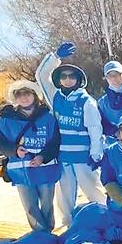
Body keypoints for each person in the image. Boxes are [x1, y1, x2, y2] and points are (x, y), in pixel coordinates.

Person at [35, 41, 106, 226]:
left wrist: (96, 154)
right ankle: (69, 226)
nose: (67, 79)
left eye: (71, 76)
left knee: (95, 192)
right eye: (64, 76)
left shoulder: (86, 101)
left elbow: (95, 130)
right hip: (63, 157)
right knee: (64, 197)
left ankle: (106, 222)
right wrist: (55, 57)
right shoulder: (55, 97)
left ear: (78, 79)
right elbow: (41, 76)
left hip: (84, 158)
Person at [0, 80, 62, 232]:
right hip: (21, 172)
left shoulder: (48, 117)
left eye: (27, 93)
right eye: (19, 95)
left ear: (34, 95)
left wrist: (42, 157)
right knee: (30, 206)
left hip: (45, 169)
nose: (23, 97)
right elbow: (0, 143)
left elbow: (55, 142)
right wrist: (15, 150)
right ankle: (39, 235)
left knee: (47, 204)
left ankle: (49, 234)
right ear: (15, 98)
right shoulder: (6, 119)